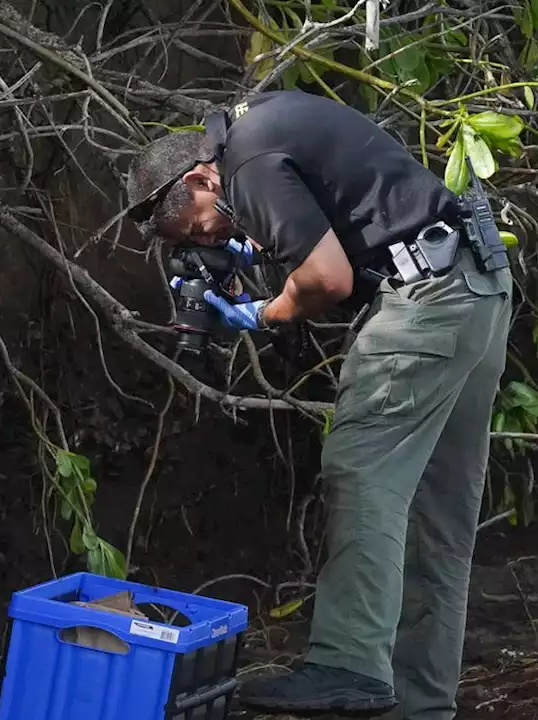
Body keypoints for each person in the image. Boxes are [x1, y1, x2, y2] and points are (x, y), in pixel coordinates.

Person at [124, 90, 513, 719]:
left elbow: (327, 280)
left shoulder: (245, 162)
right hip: (473, 289)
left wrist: (261, 313)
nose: (215, 231)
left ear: (200, 177)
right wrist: (252, 255)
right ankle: (420, 709)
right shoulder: (266, 126)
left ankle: (348, 664)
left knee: (361, 469)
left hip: (427, 306)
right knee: (434, 521)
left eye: (202, 223)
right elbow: (347, 233)